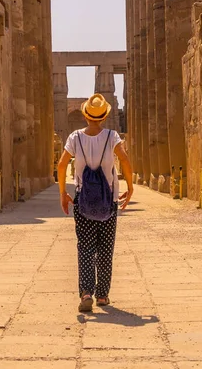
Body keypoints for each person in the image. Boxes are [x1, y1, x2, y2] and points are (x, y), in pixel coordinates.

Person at [57, 93, 134, 313]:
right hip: (108, 201)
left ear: (85, 115)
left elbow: (62, 165)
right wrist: (130, 186)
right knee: (105, 249)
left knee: (85, 248)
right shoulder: (112, 136)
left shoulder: (75, 137)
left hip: (83, 201)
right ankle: (102, 295)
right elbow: (125, 160)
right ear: (104, 116)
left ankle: (86, 293)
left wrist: (63, 192)